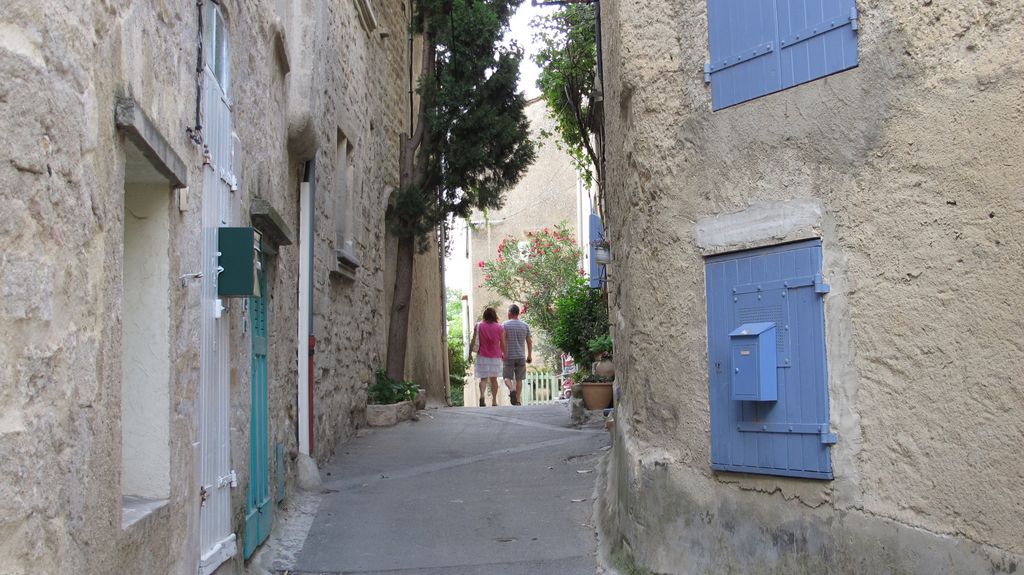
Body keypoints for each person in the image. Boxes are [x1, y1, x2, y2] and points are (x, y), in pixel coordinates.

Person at [467, 307, 505, 407]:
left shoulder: (479, 326)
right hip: (495, 357)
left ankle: (482, 396)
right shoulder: (499, 327)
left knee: (483, 379)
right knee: (494, 380)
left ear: (485, 315)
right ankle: (494, 401)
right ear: (494, 315)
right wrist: (505, 354)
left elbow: (473, 340)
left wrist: (470, 353)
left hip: (482, 356)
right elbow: (502, 343)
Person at [501, 304, 533, 406]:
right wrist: (529, 355)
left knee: (507, 377)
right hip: (521, 356)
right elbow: (529, 342)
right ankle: (518, 401)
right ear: (518, 313)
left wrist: (502, 352)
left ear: (510, 313)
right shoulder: (525, 325)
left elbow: (501, 341)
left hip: (508, 356)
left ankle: (511, 390)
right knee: (519, 379)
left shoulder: (504, 325)